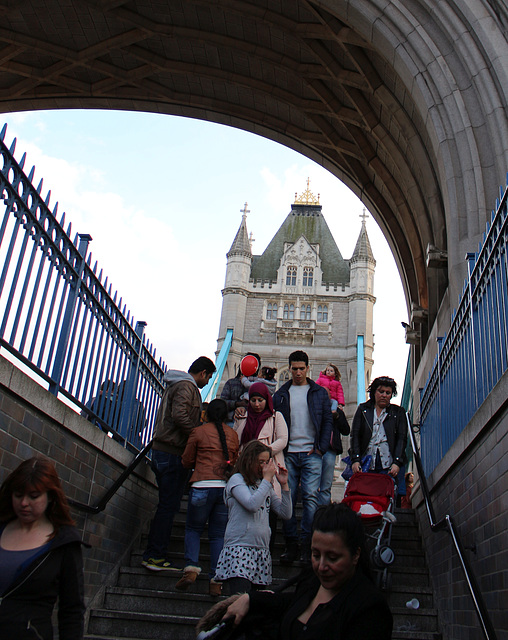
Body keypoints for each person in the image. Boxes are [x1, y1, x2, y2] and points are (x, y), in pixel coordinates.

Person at [222, 502, 393, 640]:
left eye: (333, 558)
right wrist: (249, 598)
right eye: (316, 554)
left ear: (355, 555)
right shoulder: (311, 583)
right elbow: (288, 602)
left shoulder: (370, 609)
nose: (321, 566)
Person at [141, 356, 216, 571]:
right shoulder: (186, 386)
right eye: (209, 377)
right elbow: (179, 414)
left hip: (164, 450)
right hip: (171, 452)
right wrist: (198, 433)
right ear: (203, 373)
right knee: (168, 505)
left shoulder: (179, 385)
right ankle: (154, 555)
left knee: (168, 504)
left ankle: (154, 553)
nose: (208, 382)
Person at [0, 456, 86, 640]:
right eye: (18, 494)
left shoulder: (64, 543)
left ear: (50, 497)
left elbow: (72, 609)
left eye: (33, 496)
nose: (24, 503)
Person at [272, 350, 333, 565]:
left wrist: (320, 448)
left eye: (301, 368)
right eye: (294, 368)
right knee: (286, 499)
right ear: (289, 369)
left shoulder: (319, 393)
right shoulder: (280, 394)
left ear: (308, 368)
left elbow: (327, 422)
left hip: (311, 454)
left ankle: (308, 545)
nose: (298, 372)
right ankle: (291, 544)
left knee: (310, 499)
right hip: (288, 454)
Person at [176, 399, 240, 596]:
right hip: (223, 489)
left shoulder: (198, 432)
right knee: (218, 535)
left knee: (194, 529)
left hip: (201, 485)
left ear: (207, 414)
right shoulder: (232, 434)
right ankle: (215, 580)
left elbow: (186, 460)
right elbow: (235, 461)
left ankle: (191, 568)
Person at [214, 440, 291, 594]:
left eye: (266, 462)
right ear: (250, 461)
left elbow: (285, 513)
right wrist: (267, 481)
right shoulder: (237, 480)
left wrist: (284, 485)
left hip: (261, 551)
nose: (263, 466)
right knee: (239, 599)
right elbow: (251, 504)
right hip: (239, 549)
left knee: (255, 605)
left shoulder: (263, 485)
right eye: (260, 462)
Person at [350, 376, 408, 478]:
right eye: (381, 392)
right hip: (367, 463)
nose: (384, 395)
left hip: (389, 464)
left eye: (388, 393)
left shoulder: (398, 412)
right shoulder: (363, 410)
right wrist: (356, 460)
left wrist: (397, 462)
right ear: (374, 392)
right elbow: (355, 435)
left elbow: (401, 438)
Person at [318, 404, 350, 507]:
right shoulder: (313, 405)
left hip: (329, 450)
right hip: (314, 449)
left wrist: (337, 416)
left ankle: (323, 512)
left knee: (326, 484)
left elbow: (346, 430)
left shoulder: (336, 410)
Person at [221, 353, 261, 422]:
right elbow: (222, 403)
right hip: (232, 420)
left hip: (252, 422)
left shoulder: (259, 385)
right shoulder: (231, 383)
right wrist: (237, 404)